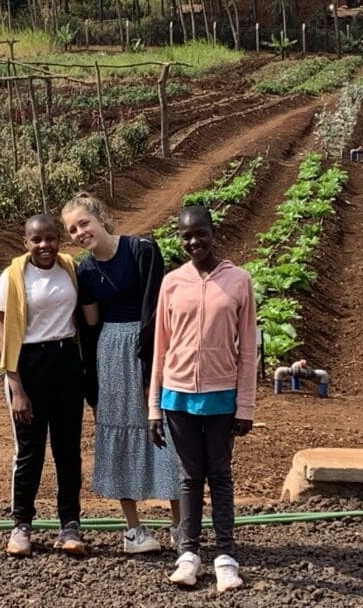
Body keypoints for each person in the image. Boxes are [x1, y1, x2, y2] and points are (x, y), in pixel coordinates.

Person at [61, 193, 181, 554]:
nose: (81, 233)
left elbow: (156, 308)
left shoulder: (142, 249)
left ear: (100, 218)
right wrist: (93, 379)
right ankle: (134, 531)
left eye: (84, 223)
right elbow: (92, 324)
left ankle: (180, 526)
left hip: (150, 347)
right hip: (111, 351)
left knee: (165, 431)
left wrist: (153, 359)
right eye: (73, 230)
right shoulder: (85, 271)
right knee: (119, 429)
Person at [148, 204, 257, 593]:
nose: (194, 241)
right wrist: (154, 407)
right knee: (189, 476)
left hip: (221, 395)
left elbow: (247, 350)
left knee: (221, 475)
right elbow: (161, 347)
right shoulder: (172, 282)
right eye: (186, 235)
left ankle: (225, 556)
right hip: (177, 396)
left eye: (200, 233)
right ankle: (188, 554)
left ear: (213, 232)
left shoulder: (239, 281)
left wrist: (245, 406)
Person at [0, 214, 87, 557]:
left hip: (66, 363)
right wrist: (15, 386)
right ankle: (21, 525)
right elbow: (5, 335)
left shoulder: (69, 269)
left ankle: (70, 525)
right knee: (29, 452)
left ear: (59, 239)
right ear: (25, 243)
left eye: (50, 238)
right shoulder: (13, 277)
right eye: (36, 240)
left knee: (67, 449)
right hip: (28, 366)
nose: (44, 246)